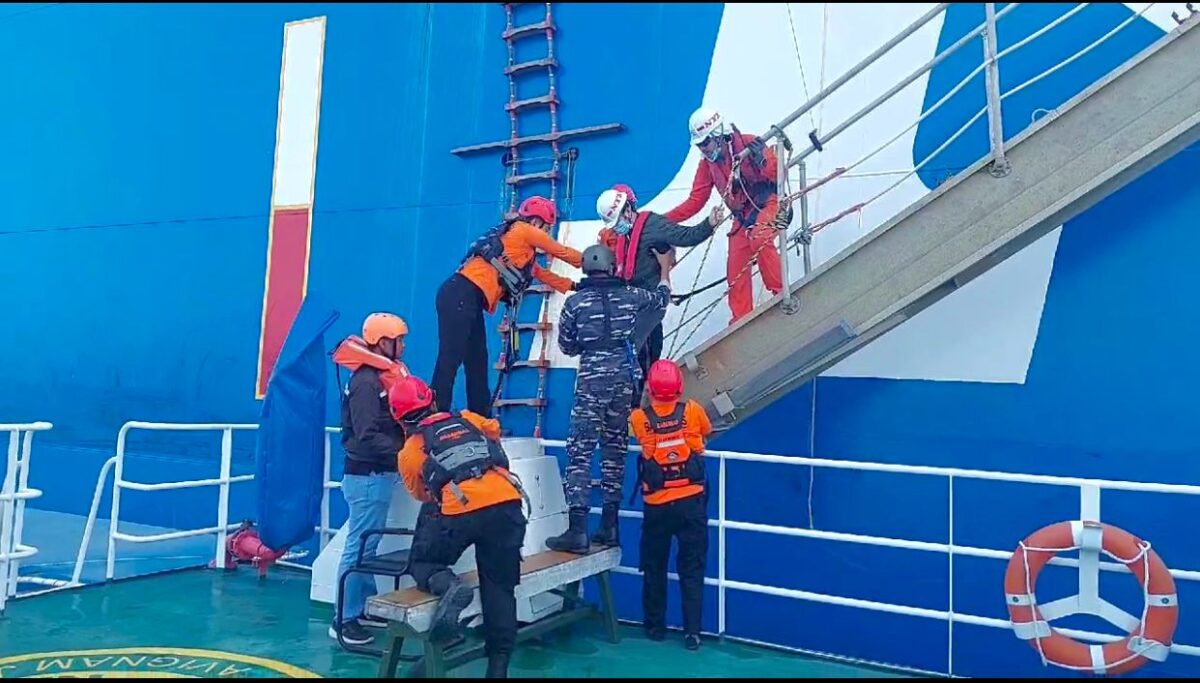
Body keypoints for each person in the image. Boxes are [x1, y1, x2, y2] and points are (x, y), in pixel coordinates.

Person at [389, 375, 528, 679]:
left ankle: (448, 585)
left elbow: (422, 495)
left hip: (461, 512)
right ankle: (498, 668)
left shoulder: (410, 451)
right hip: (507, 504)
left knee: (422, 562)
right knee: (499, 588)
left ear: (399, 418)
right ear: (432, 401)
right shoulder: (467, 418)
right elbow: (494, 430)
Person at [544, 244, 674, 554]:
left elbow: (567, 346)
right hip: (623, 380)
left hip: (591, 382)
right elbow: (661, 300)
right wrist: (664, 269)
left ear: (586, 269)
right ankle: (610, 525)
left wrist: (590, 346)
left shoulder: (575, 303)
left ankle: (577, 530)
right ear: (612, 267)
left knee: (580, 452)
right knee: (614, 449)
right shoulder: (631, 295)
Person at [432, 196, 583, 418]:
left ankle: (481, 418)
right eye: (547, 227)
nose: (547, 232)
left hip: (468, 298)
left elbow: (546, 276)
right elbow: (560, 251)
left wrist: (578, 285)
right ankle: (436, 416)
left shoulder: (523, 252)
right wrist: (592, 262)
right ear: (537, 221)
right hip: (461, 293)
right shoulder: (524, 230)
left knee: (477, 360)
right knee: (451, 357)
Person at [595, 185, 725, 404]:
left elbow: (685, 236)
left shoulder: (652, 226)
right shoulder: (624, 235)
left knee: (645, 358)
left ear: (628, 210)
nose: (617, 227)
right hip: (631, 311)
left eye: (618, 222)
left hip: (649, 309)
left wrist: (709, 224)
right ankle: (634, 405)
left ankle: (638, 406)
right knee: (634, 360)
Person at [330, 312, 410, 646]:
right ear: (381, 342)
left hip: (376, 475)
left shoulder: (377, 376)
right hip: (367, 476)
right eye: (398, 340)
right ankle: (344, 619)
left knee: (367, 546)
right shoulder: (366, 383)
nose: (402, 346)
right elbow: (365, 434)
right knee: (359, 547)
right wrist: (405, 451)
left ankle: (360, 608)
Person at [664, 107, 785, 324]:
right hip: (743, 217)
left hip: (770, 203)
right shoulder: (708, 165)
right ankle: (741, 320)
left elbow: (778, 176)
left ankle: (781, 294)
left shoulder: (749, 143)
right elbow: (695, 201)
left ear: (718, 135)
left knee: (759, 238)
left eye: (705, 143)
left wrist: (764, 163)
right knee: (735, 266)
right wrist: (662, 220)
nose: (703, 149)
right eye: (699, 145)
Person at [629, 358, 712, 651]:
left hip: (657, 508)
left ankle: (655, 628)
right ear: (679, 387)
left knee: (654, 567)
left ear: (650, 389)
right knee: (692, 569)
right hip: (691, 504)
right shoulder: (693, 410)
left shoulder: (639, 418)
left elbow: (634, 432)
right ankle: (692, 633)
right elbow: (707, 430)